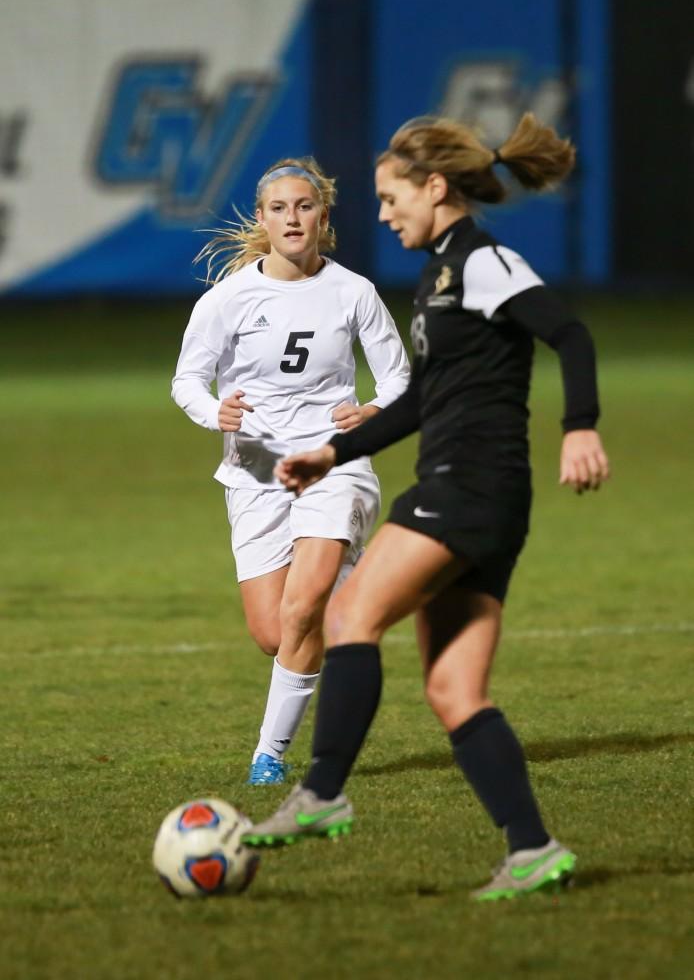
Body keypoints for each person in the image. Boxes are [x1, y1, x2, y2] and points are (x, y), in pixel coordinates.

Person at [243, 114, 611, 901]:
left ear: (433, 187)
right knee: (454, 693)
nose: (380, 213)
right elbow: (420, 400)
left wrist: (580, 427)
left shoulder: (483, 262)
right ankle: (534, 848)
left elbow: (571, 334)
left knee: (348, 618)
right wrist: (332, 454)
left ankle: (322, 792)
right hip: (482, 496)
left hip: (466, 488)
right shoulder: (438, 274)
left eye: (389, 196)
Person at [171, 157, 409, 785]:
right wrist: (213, 411)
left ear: (323, 217)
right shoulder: (227, 300)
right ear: (262, 219)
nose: (292, 217)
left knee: (304, 608)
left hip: (333, 462)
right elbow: (187, 380)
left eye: (304, 206)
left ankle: (267, 756)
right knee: (274, 632)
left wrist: (375, 410)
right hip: (254, 467)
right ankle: (351, 583)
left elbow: (398, 376)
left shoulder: (353, 291)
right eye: (279, 208)